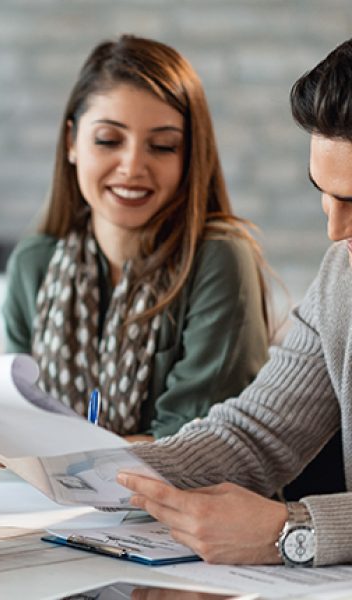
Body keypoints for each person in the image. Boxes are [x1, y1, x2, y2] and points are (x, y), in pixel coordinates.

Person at [119, 37, 352, 568]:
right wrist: (82, 466)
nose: (335, 230)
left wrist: (296, 532)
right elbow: (255, 435)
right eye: (325, 192)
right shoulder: (344, 275)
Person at [2, 35, 271, 442]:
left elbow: (193, 443)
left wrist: (54, 451)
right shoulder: (33, 263)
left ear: (189, 156)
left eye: (162, 146)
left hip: (188, 502)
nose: (132, 166)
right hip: (54, 501)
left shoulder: (219, 259)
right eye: (109, 140)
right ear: (72, 142)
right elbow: (17, 415)